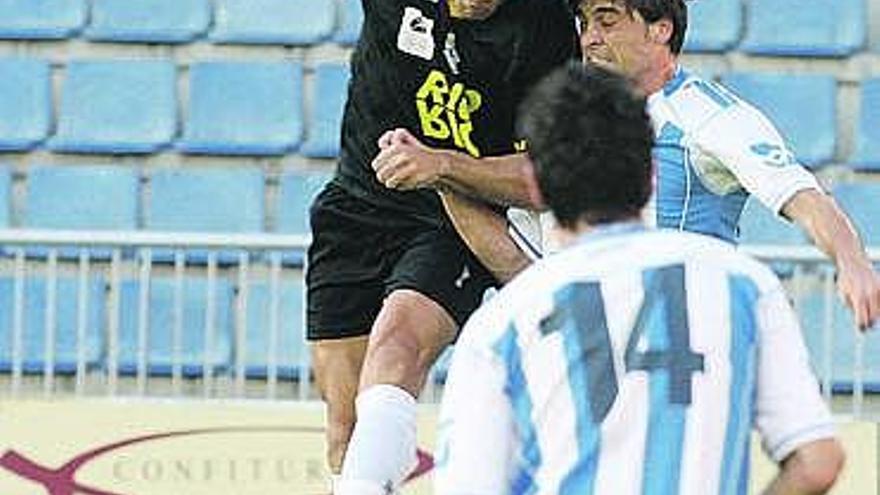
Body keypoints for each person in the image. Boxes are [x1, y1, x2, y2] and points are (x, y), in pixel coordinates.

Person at [434, 62, 845, 495]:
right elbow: (817, 461)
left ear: (535, 186)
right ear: (651, 176)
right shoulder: (743, 285)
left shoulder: (504, 320)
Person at [372, 0, 880, 330]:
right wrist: (441, 175)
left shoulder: (707, 115)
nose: (589, 38)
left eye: (608, 20)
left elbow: (803, 197)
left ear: (661, 28)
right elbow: (524, 268)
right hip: (588, 352)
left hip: (678, 343)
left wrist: (851, 260)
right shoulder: (577, 123)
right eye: (584, 23)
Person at [304, 0, 577, 492]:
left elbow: (551, 176)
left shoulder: (544, 26)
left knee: (398, 343)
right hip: (356, 207)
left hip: (457, 214)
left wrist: (444, 167)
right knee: (344, 427)